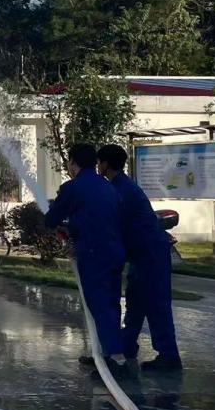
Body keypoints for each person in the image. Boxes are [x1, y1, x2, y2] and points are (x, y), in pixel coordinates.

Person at [98, 144, 182, 371]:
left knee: (156, 303)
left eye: (99, 162)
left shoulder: (120, 190)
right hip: (142, 253)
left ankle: (169, 356)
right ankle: (126, 346)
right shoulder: (121, 186)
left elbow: (112, 223)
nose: (98, 166)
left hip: (150, 253)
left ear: (105, 164)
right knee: (135, 301)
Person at [45, 144, 129, 371]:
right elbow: (101, 217)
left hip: (94, 254)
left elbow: (51, 219)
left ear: (73, 162)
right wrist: (74, 227)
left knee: (99, 304)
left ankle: (115, 358)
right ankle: (105, 353)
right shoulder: (108, 186)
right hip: (115, 251)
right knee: (111, 303)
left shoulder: (72, 187)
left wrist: (60, 222)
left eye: (69, 162)